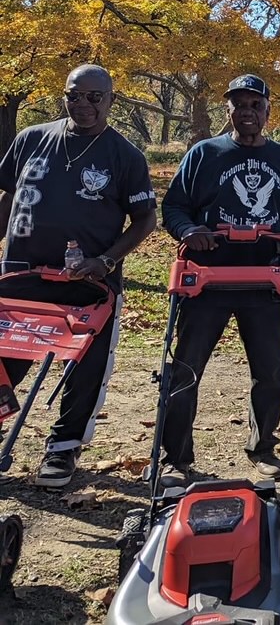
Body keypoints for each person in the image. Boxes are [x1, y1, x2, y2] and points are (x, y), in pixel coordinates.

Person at [0, 65, 156, 487]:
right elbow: (10, 197)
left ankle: (63, 449)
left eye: (94, 97)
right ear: (63, 96)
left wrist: (105, 261)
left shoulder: (125, 156)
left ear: (111, 101)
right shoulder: (32, 138)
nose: (83, 105)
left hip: (88, 284)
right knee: (5, 357)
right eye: (74, 95)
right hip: (20, 274)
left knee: (84, 366)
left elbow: (145, 220)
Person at [158, 74, 280, 486]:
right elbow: (173, 208)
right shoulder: (204, 154)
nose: (246, 111)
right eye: (238, 104)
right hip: (208, 281)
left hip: (265, 282)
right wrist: (189, 231)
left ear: (267, 111)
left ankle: (262, 448)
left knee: (271, 372)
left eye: (254, 104)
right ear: (228, 110)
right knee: (186, 369)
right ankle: (176, 457)